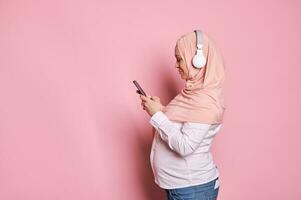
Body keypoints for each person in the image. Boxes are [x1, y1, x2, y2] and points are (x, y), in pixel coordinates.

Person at [138, 29, 226, 200]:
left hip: (192, 189)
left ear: (198, 60)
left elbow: (185, 146)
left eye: (180, 59)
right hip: (184, 187)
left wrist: (157, 116)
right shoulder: (193, 94)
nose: (176, 65)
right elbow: (183, 124)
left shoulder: (205, 101)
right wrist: (160, 109)